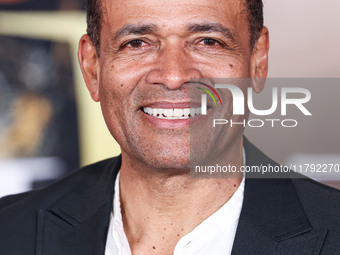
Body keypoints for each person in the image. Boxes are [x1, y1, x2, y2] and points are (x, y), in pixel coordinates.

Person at [1, 0, 340, 254]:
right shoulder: (10, 230)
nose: (175, 75)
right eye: (137, 43)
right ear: (92, 69)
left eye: (208, 41)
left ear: (258, 61)